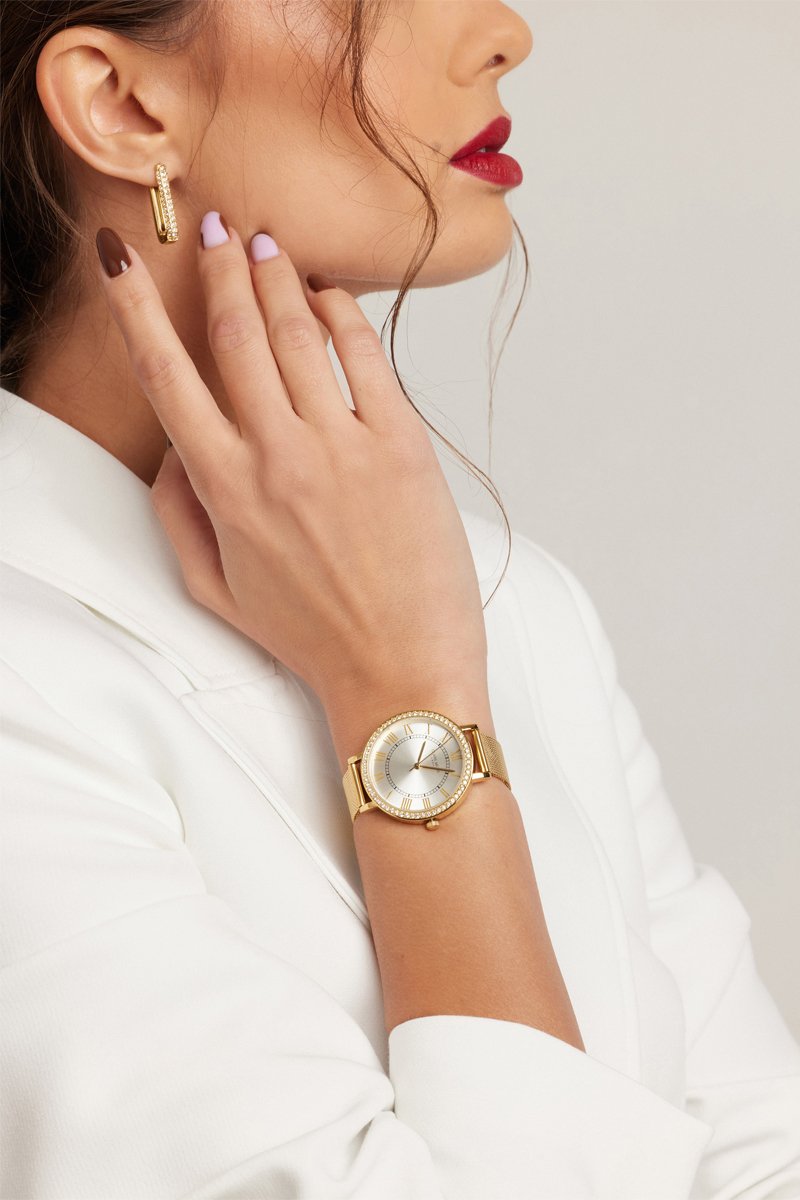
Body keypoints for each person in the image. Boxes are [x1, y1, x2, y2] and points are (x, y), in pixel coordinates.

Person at [1, 2, 798, 1197]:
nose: (502, 31)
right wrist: (404, 697)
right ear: (121, 105)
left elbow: (761, 1154)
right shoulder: (26, 684)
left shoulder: (505, 601)